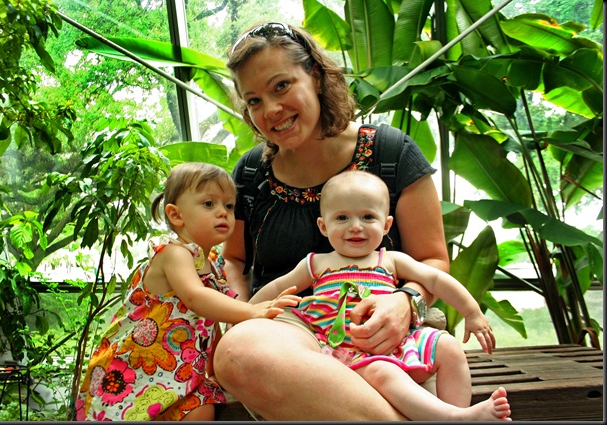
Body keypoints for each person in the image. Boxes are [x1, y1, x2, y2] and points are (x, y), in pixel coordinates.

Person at [212, 21, 457, 420]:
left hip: (385, 340)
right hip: (290, 339)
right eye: (254, 100)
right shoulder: (251, 173)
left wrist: (404, 302)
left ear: (315, 76)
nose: (270, 111)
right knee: (237, 353)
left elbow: (433, 260)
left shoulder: (391, 153)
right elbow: (234, 259)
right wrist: (243, 314)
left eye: (281, 86)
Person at [250, 170, 511, 421]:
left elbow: (435, 279)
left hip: (400, 342)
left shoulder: (390, 260)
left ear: (386, 225)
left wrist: (471, 312)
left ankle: (459, 412)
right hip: (350, 354)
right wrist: (245, 313)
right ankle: (453, 418)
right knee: (385, 371)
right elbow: (276, 288)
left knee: (449, 347)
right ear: (323, 226)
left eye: (367, 217)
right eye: (342, 218)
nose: (355, 227)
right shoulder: (315, 264)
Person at [74, 162, 300, 421]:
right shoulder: (174, 253)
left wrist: (217, 372)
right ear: (176, 215)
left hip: (178, 374)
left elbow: (210, 321)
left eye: (229, 206)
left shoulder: (212, 263)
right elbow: (196, 297)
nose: (223, 212)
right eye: (209, 204)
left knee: (202, 411)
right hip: (135, 368)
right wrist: (251, 311)